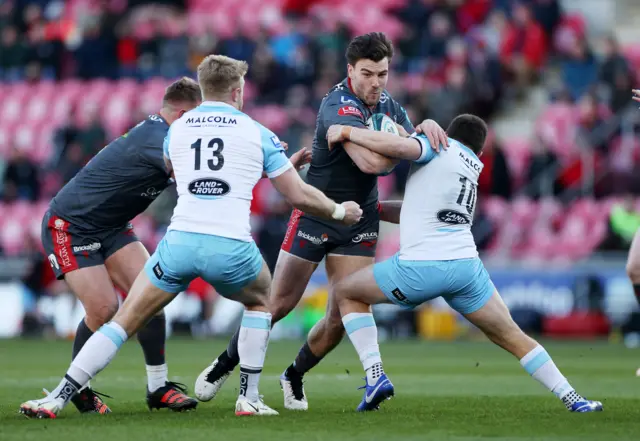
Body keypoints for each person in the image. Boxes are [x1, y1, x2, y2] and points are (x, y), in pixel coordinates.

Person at [19, 54, 363, 419]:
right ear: (236, 91)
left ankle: (65, 394)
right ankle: (248, 397)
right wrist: (340, 212)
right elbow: (295, 194)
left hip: (174, 241)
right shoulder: (255, 131)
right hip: (200, 241)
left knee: (126, 317)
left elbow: (193, 174)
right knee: (262, 301)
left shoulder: (177, 132)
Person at [195, 32, 448, 411]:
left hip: (359, 218)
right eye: (367, 73)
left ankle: (293, 376)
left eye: (383, 73)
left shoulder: (391, 106)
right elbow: (370, 164)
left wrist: (422, 127)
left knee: (340, 314)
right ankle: (225, 363)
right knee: (277, 304)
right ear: (350, 70)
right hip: (318, 212)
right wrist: (401, 147)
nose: (376, 82)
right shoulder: (337, 105)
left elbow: (413, 142)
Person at [325, 114, 603, 413]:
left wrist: (347, 131)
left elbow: (398, 147)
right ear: (480, 151)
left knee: (346, 292)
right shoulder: (472, 165)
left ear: (445, 134)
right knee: (511, 335)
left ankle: (375, 375)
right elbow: (418, 209)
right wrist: (376, 210)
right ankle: (573, 399)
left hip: (422, 267)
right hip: (466, 268)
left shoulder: (437, 146)